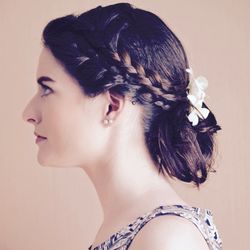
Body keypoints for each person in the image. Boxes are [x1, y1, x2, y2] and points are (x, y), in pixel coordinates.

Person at [22, 2, 223, 250]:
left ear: (111, 106)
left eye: (47, 89)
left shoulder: (167, 239)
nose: (28, 114)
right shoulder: (135, 229)